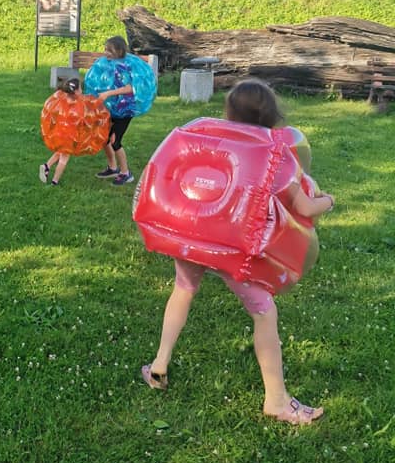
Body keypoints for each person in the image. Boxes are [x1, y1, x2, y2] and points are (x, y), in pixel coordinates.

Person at [141, 78, 335, 425]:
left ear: (229, 112)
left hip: (193, 236)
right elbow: (305, 207)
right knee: (264, 313)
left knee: (183, 289)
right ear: (272, 114)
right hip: (233, 249)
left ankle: (159, 364)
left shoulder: (209, 140)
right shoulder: (275, 155)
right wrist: (329, 201)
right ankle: (276, 400)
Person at [94, 36, 136, 185]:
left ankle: (126, 173)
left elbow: (130, 88)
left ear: (119, 51)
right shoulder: (108, 65)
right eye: (105, 49)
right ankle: (113, 168)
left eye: (109, 50)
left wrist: (108, 94)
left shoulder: (126, 66)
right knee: (104, 138)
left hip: (125, 109)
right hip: (113, 108)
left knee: (114, 141)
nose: (106, 53)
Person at [39, 77, 82, 186]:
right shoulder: (76, 104)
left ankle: (46, 166)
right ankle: (55, 181)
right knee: (64, 158)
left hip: (59, 132)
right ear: (76, 91)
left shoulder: (62, 99)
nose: (82, 91)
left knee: (60, 152)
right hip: (69, 135)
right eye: (80, 88)